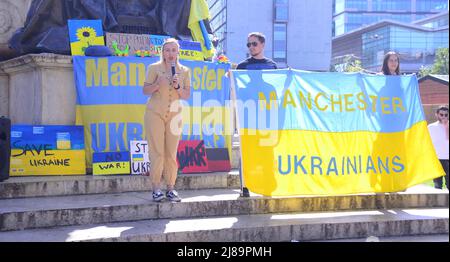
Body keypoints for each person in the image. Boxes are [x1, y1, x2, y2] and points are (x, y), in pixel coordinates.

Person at [143, 38, 191, 202]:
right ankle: (156, 188)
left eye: (173, 50)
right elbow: (145, 90)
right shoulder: (153, 68)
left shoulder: (184, 71)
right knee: (157, 151)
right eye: (167, 50)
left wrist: (178, 86)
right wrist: (157, 83)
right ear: (162, 52)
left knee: (171, 152)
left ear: (178, 52)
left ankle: (171, 188)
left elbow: (186, 95)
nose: (170, 53)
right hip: (155, 112)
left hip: (175, 115)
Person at [428, 105, 449, 190]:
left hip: (448, 159)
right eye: (441, 114)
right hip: (436, 159)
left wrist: (446, 126)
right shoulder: (431, 127)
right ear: (436, 114)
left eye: (446, 115)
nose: (444, 116)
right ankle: (438, 203)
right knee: (437, 185)